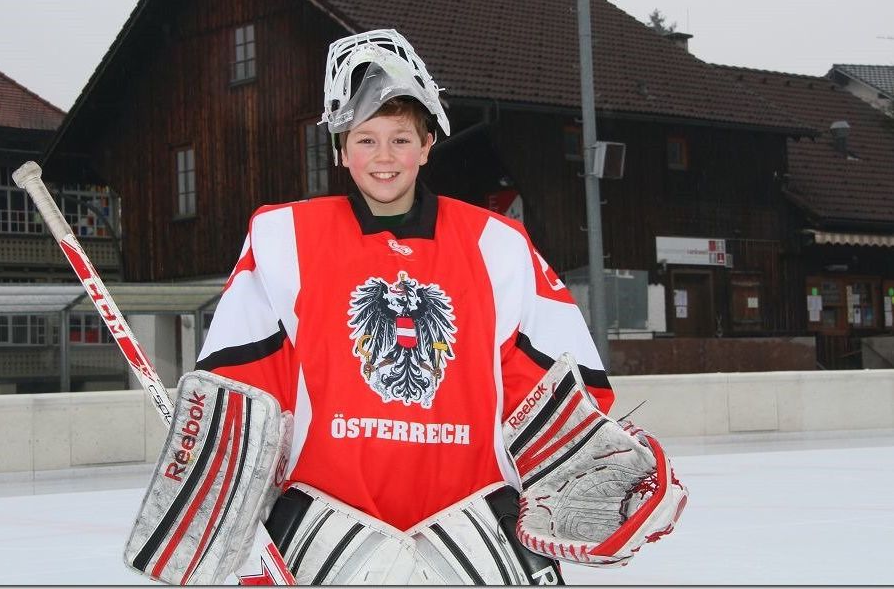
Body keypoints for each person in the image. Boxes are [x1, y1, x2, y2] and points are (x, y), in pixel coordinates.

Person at [126, 29, 684, 586]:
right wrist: (219, 464)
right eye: (366, 140)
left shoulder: (498, 245)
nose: (384, 157)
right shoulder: (284, 239)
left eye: (400, 139)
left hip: (473, 524)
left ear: (427, 144)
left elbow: (554, 385)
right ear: (342, 150)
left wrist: (592, 463)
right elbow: (244, 383)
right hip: (328, 525)